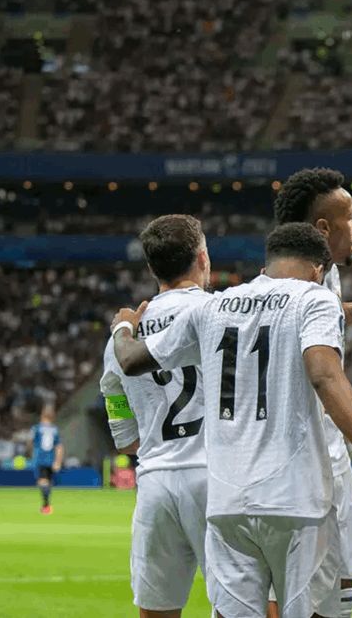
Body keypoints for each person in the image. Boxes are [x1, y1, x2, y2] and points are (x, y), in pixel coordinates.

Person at [111, 222, 352, 618]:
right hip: (295, 500)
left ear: (267, 265)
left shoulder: (215, 305)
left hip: (227, 501)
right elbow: (324, 375)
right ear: (318, 270)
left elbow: (130, 359)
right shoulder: (314, 298)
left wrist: (122, 326)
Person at [274, 167, 352, 618]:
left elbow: (330, 314)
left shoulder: (322, 276)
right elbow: (317, 374)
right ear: (321, 228)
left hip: (324, 451)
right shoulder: (297, 283)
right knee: (302, 590)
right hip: (303, 454)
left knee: (338, 582)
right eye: (348, 216)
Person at [99, 214, 213, 617]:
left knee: (157, 610)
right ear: (202, 258)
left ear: (151, 268)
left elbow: (125, 438)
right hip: (218, 479)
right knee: (243, 605)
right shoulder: (221, 313)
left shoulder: (122, 336)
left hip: (156, 483)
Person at [31, 407, 63, 514]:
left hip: (40, 459)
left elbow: (31, 442)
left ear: (42, 416)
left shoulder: (37, 428)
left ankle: (46, 505)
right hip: (51, 459)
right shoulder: (55, 430)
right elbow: (59, 447)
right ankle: (47, 504)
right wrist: (58, 462)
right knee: (48, 482)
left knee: (42, 482)